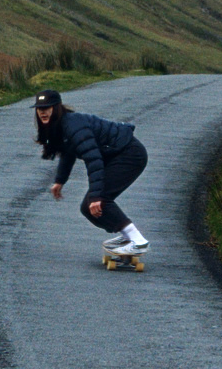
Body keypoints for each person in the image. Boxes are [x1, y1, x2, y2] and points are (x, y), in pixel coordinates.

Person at [32, 89, 149, 255]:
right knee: (88, 207)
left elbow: (93, 160)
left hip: (129, 154)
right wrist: (60, 180)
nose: (43, 112)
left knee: (98, 201)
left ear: (56, 108)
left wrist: (95, 196)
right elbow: (68, 152)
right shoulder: (59, 126)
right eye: (39, 108)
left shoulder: (73, 125)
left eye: (47, 107)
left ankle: (138, 241)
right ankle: (128, 237)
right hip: (118, 155)